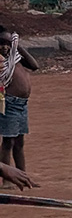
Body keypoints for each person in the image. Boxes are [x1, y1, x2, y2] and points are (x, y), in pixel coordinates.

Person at [0, 29, 38, 175]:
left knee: (19, 142)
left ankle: (22, 175)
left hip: (21, 104)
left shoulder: (14, 56)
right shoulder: (2, 61)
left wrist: (18, 46)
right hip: (9, 104)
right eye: (1, 43)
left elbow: (34, 66)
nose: (4, 47)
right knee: (8, 142)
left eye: (7, 43)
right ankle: (6, 178)